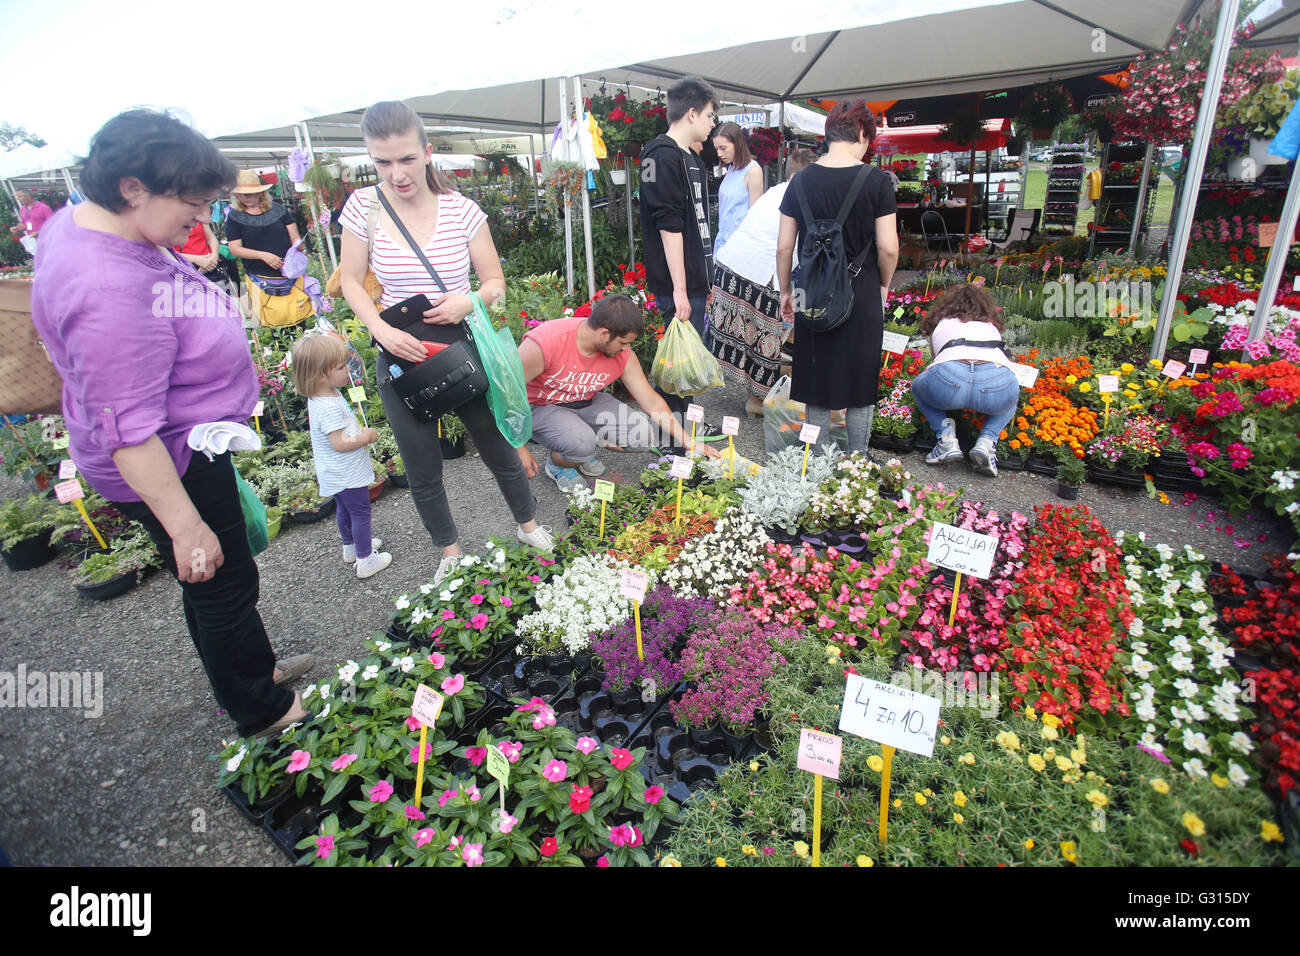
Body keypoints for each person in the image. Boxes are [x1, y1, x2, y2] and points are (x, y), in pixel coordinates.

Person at [30, 109, 313, 740]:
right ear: (133, 187)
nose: (203, 218)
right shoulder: (105, 286)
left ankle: (251, 673)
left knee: (220, 579)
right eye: (192, 202)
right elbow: (128, 430)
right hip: (165, 463)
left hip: (185, 444)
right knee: (218, 575)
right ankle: (261, 711)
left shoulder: (95, 228)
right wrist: (185, 525)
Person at [337, 100, 553, 586]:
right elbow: (351, 281)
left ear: (428, 152)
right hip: (400, 353)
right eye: (382, 162)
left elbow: (495, 280)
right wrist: (381, 330)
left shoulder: (462, 210)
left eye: (407, 159)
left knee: (498, 446)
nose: (396, 173)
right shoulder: (363, 207)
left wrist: (470, 301)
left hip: (459, 345)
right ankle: (450, 553)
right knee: (421, 465)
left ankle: (529, 526)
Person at [777, 99, 899, 454]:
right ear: (863, 133)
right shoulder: (876, 181)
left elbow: (785, 247)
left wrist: (786, 291)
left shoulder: (799, 182)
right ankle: (856, 464)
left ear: (828, 134)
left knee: (816, 379)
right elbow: (888, 248)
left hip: (812, 291)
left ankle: (817, 464)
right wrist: (883, 284)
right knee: (860, 383)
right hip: (861, 290)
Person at [516, 295, 719, 492]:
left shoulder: (623, 354)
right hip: (540, 406)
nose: (627, 349)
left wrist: (689, 442)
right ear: (604, 334)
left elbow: (651, 401)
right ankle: (558, 464)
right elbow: (504, 393)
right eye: (623, 343)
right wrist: (518, 447)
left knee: (642, 437)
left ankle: (581, 450)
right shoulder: (546, 344)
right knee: (582, 443)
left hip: (585, 401)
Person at [639, 75, 719, 447]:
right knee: (676, 363)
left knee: (687, 361)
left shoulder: (689, 156)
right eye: (709, 114)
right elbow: (669, 226)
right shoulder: (661, 156)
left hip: (693, 278)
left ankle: (687, 435)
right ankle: (674, 449)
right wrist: (681, 289)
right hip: (678, 283)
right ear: (691, 113)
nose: (712, 122)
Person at [710, 148, 814, 417]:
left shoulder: (776, 190)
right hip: (758, 272)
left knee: (756, 338)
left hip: (732, 265)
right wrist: (790, 293)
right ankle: (758, 399)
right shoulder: (800, 195)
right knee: (770, 336)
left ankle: (758, 396)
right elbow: (788, 250)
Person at [291, 334, 392, 578]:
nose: (347, 368)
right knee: (359, 512)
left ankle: (351, 547)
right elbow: (340, 443)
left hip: (335, 472)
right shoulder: (328, 407)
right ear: (320, 374)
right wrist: (366, 437)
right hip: (345, 471)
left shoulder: (323, 395)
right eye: (340, 366)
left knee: (344, 509)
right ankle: (366, 559)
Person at [910, 283, 1019, 477]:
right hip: (995, 383)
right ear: (985, 306)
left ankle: (946, 439)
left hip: (950, 381)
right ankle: (987, 442)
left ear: (948, 304)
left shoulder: (942, 323)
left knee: (919, 386)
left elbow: (936, 360)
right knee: (1012, 397)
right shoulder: (991, 326)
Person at [224, 169, 301, 317]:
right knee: (272, 321)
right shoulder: (234, 217)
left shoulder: (279, 210)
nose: (244, 197)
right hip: (259, 276)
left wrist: (298, 246)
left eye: (249, 193)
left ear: (260, 193)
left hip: (288, 273)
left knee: (297, 315)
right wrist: (263, 255)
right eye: (241, 194)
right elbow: (235, 249)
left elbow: (295, 237)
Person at [712, 122, 764, 254]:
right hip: (723, 242)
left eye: (723, 148)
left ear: (737, 144)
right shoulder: (732, 168)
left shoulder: (753, 170)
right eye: (717, 148)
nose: (719, 153)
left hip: (740, 246)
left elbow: (755, 216)